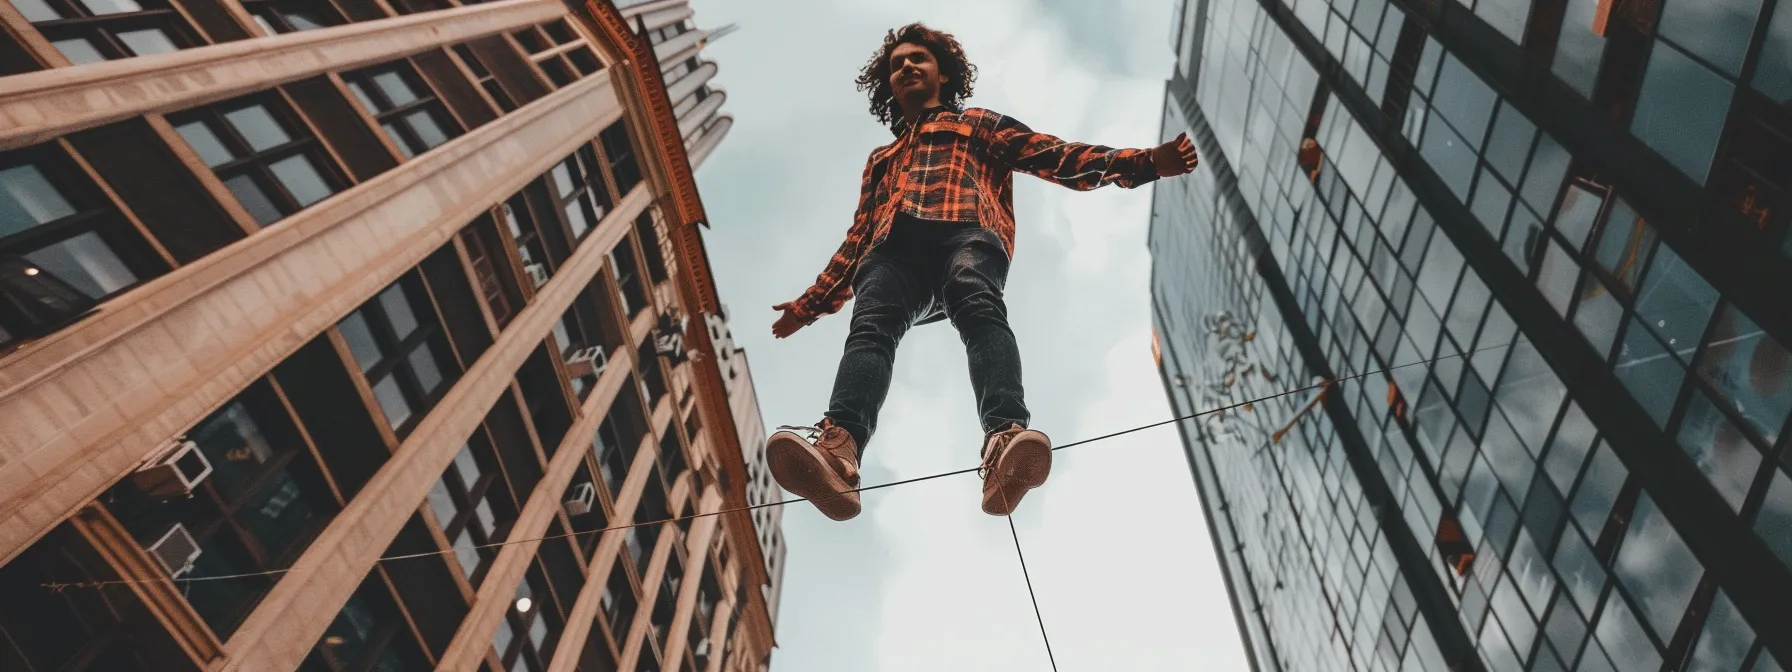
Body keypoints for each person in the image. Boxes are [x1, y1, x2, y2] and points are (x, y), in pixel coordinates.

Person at [764, 23, 1200, 522]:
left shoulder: (978, 124)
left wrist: (1143, 163)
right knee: (870, 330)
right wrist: (810, 304)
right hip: (891, 252)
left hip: (965, 234)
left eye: (917, 59)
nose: (905, 66)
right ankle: (840, 453)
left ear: (943, 73)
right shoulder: (881, 160)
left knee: (979, 307)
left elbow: (1055, 155)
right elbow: (857, 237)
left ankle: (1005, 439)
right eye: (896, 65)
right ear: (888, 87)